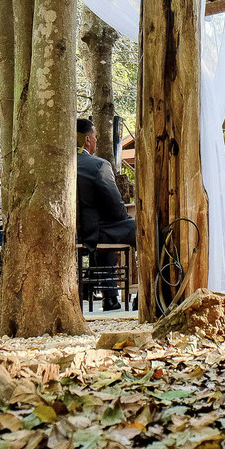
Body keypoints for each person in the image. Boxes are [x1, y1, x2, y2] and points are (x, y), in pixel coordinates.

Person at [76, 118, 136, 311]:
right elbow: (116, 208)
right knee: (144, 230)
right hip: (94, 233)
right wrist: (125, 218)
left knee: (105, 229)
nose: (95, 141)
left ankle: (110, 297)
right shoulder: (98, 165)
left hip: (78, 231)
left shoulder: (57, 166)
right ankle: (148, 291)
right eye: (94, 137)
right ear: (86, 140)